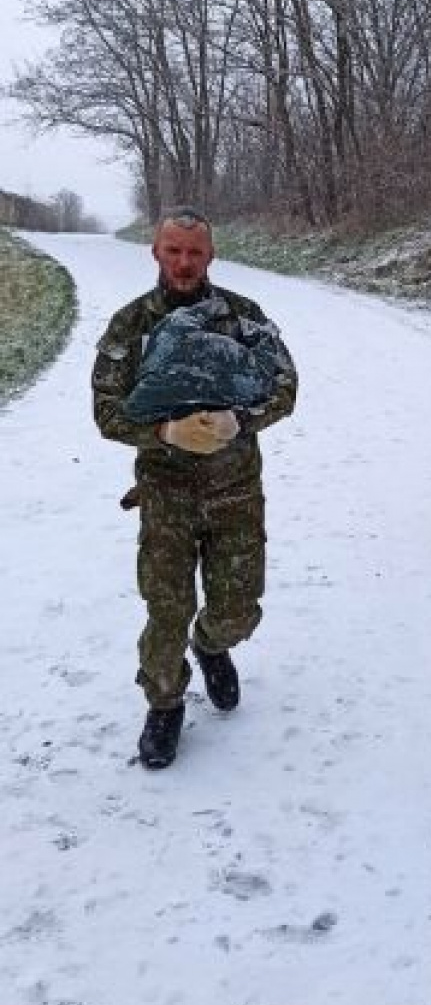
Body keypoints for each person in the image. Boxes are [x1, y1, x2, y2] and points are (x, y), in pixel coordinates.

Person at [92, 208, 298, 768]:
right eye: (174, 250)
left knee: (239, 610)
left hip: (235, 491)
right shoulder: (131, 326)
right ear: (155, 251)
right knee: (166, 611)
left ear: (211, 255)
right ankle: (165, 703)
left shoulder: (242, 317)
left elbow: (285, 387)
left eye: (195, 252)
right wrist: (163, 431)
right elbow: (107, 412)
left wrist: (242, 419)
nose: (184, 262)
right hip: (166, 494)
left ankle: (210, 644)